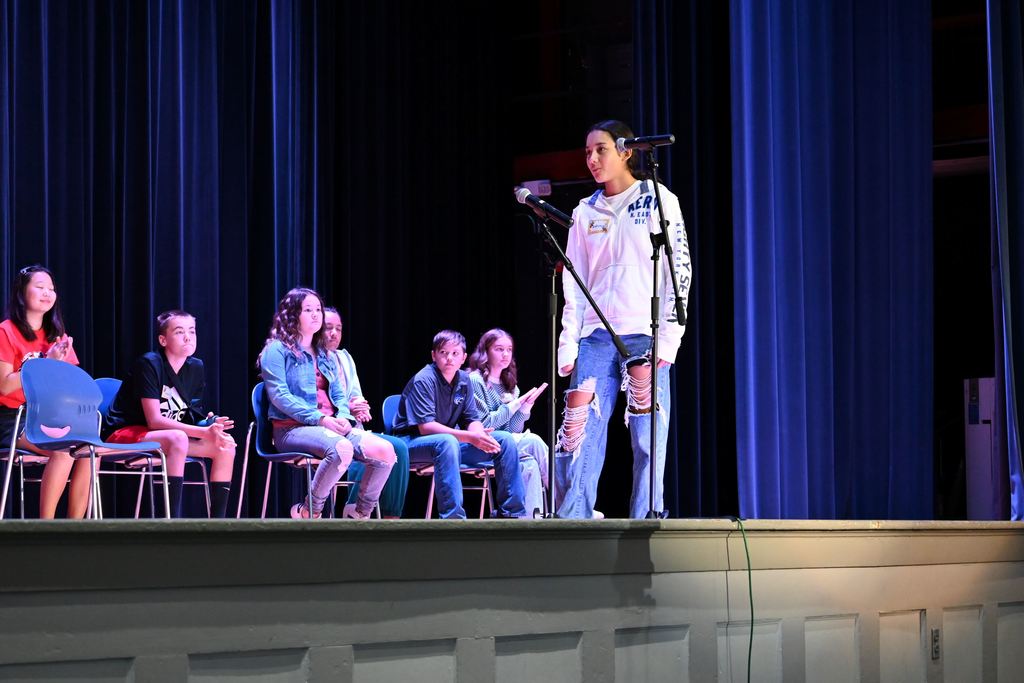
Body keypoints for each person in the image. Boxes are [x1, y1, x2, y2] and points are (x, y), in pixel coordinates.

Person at [554, 119, 692, 519]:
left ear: (626, 151)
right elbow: (575, 283)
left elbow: (677, 270)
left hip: (644, 335)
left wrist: (669, 338)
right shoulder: (585, 212)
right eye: (587, 152)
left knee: (649, 437)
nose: (592, 159)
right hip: (596, 336)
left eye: (601, 149)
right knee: (579, 435)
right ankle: (572, 519)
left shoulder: (658, 199)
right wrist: (569, 341)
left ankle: (646, 520)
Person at [258, 288, 396, 519]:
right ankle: (310, 510)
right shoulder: (276, 350)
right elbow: (280, 396)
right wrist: (321, 419)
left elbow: (339, 395)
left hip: (331, 426)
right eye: (308, 310)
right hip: (292, 429)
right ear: (293, 315)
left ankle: (359, 514)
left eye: (318, 310)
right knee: (342, 448)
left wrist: (343, 416)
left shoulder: (324, 353)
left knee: (385, 451)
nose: (315, 315)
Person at [102, 310, 237, 518]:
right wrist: (203, 432)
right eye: (179, 332)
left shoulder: (196, 367)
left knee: (225, 445)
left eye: (192, 331)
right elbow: (154, 420)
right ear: (163, 340)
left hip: (168, 439)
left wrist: (209, 424)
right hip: (124, 432)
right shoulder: (149, 364)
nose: (188, 337)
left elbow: (187, 415)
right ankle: (171, 522)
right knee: (178, 437)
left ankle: (219, 525)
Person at [392, 330, 526, 519]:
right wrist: (470, 437)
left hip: (448, 444)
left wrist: (479, 434)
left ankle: (512, 514)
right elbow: (426, 427)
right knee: (447, 442)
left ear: (464, 357)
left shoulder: (463, 379)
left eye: (455, 353)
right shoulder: (424, 379)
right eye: (443, 353)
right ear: (433, 355)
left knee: (504, 440)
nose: (449, 358)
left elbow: (471, 419)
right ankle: (453, 518)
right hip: (411, 443)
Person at [0, 265, 89, 518]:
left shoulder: (56, 336)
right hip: (13, 419)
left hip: (48, 416)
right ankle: (46, 527)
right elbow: (4, 385)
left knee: (88, 450)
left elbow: (70, 386)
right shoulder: (5, 331)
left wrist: (57, 366)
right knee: (63, 450)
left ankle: (77, 528)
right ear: (22, 292)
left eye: (51, 289)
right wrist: (44, 362)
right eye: (39, 287)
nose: (47, 293)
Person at [322, 307, 410, 518]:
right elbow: (320, 402)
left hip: (351, 425)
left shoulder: (344, 358)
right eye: (328, 328)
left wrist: (361, 407)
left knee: (399, 447)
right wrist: (348, 410)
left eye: (338, 329)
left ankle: (390, 517)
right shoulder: (312, 358)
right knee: (368, 449)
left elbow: (354, 393)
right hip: (327, 427)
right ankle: (353, 508)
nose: (334, 333)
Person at [467, 329, 548, 516]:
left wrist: (525, 408)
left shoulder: (510, 385)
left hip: (505, 444)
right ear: (486, 351)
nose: (505, 354)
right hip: (481, 443)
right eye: (499, 349)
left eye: (509, 349)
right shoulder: (475, 380)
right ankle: (570, 504)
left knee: (530, 464)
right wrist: (513, 406)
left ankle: (530, 521)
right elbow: (485, 424)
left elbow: (511, 430)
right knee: (534, 441)